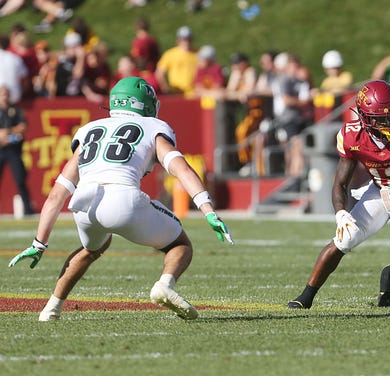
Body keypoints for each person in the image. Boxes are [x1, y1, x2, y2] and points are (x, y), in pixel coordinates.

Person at [7, 77, 234, 321]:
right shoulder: (153, 126)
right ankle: (164, 286)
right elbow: (182, 170)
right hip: (123, 199)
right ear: (145, 104)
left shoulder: (89, 130)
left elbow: (56, 194)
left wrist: (39, 243)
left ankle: (51, 308)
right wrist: (208, 210)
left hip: (85, 205)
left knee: (91, 249)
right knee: (180, 245)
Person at [287, 80, 390, 309]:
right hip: (380, 191)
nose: (388, 123)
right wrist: (341, 214)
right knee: (345, 238)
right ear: (364, 116)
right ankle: (306, 296)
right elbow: (340, 184)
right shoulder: (351, 136)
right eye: (380, 118)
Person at [0, 85, 34, 216]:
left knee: (20, 180)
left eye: (6, 93)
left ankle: (27, 209)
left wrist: (7, 132)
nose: (5, 96)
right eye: (2, 93)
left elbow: (23, 127)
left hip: (13, 150)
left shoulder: (15, 110)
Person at [155, 26, 197, 95]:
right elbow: (159, 73)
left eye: (188, 39)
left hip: (194, 94)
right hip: (176, 93)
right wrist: (165, 89)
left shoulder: (198, 54)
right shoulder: (170, 54)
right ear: (178, 40)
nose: (186, 42)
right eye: (184, 39)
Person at [0, 34, 28, 104]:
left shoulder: (16, 58)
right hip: (15, 97)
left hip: (14, 98)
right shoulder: (16, 58)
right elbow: (26, 80)